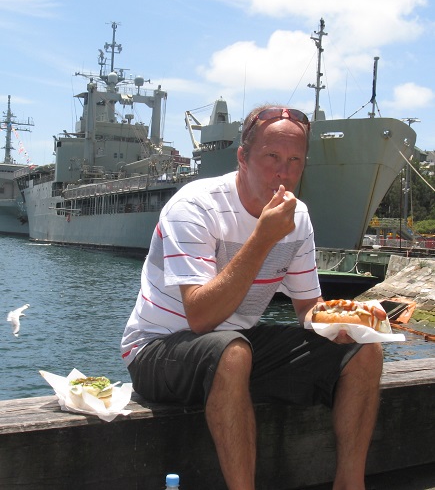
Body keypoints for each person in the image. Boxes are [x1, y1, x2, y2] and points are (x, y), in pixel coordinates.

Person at [121, 105, 383, 490]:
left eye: (295, 160)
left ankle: (350, 484)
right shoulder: (195, 206)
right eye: (272, 157)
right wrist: (263, 238)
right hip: (156, 350)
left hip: (234, 349)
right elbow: (201, 317)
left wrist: (344, 321)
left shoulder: (298, 218)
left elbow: (307, 309)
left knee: (365, 350)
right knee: (231, 351)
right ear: (242, 157)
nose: (284, 172)